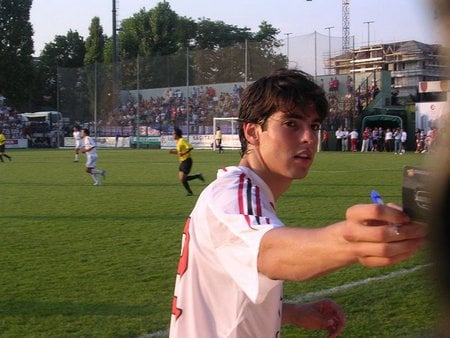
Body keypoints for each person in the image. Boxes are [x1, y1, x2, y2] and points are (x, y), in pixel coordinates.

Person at [169, 69, 427, 338]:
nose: (309, 138)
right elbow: (270, 252)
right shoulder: (232, 194)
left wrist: (291, 312)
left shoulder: (248, 191)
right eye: (292, 124)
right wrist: (353, 240)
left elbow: (227, 290)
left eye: (314, 126)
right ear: (253, 132)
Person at [169, 128, 204, 196]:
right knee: (182, 179)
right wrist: (173, 152)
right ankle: (196, 178)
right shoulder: (178, 141)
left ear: (177, 134)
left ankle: (190, 190)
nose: (172, 135)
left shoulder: (182, 140)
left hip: (187, 161)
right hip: (182, 162)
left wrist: (183, 153)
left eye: (173, 134)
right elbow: (180, 152)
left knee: (183, 178)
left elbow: (190, 148)